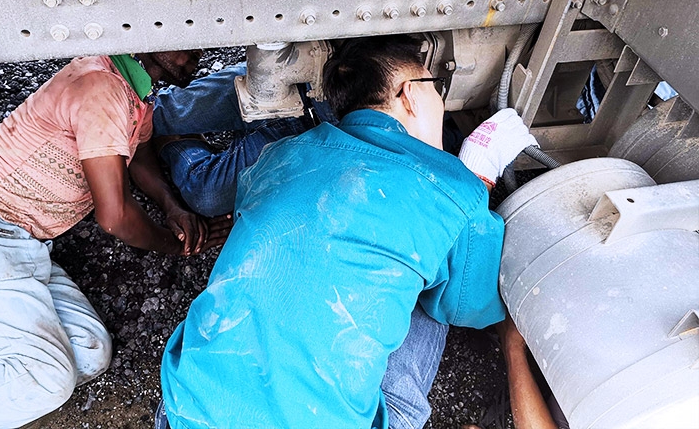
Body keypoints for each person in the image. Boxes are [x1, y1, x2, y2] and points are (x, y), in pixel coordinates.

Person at [157, 35, 538, 429]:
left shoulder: (278, 155)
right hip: (180, 413)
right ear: (411, 95)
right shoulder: (451, 193)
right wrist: (472, 175)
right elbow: (474, 307)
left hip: (189, 407)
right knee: (439, 281)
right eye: (436, 89)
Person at [0, 51, 231, 429]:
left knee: (88, 351)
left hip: (18, 243)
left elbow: (134, 152)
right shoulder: (101, 85)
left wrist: (172, 207)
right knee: (48, 378)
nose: (198, 54)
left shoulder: (131, 92)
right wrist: (179, 245)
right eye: (187, 40)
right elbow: (115, 217)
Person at [152, 61, 337, 217]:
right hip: (288, 81)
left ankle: (177, 141)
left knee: (207, 196)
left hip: (310, 137)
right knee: (157, 115)